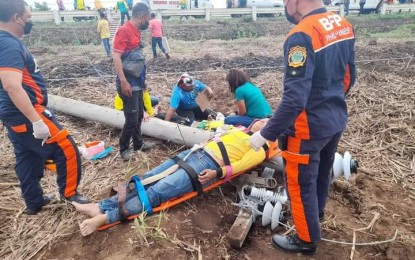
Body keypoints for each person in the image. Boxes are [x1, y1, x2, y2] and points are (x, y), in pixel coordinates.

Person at [249, 0, 355, 255]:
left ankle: (305, 239)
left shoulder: (301, 34)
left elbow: (295, 99)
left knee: (299, 183)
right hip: (334, 119)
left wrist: (265, 134)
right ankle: (314, 215)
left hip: (307, 129)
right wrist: (330, 104)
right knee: (321, 173)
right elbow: (349, 76)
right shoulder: (342, 24)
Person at [73, 119, 272, 236]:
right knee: (148, 179)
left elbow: (240, 165)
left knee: (159, 191)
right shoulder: (239, 130)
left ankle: (107, 217)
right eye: (262, 120)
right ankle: (102, 206)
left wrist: (216, 174)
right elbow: (216, 125)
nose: (263, 122)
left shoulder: (261, 147)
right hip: (193, 154)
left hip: (207, 166)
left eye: (268, 123)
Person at [0, 0, 90, 215]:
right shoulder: (9, 44)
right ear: (16, 18)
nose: (29, 21)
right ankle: (70, 195)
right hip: (27, 111)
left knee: (27, 157)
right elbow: (11, 85)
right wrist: (37, 121)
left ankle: (34, 201)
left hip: (12, 115)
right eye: (28, 17)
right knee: (66, 147)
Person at [113, 2, 153, 161]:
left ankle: (138, 144)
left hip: (137, 83)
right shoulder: (124, 31)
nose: (148, 22)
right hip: (128, 84)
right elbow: (116, 56)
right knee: (131, 120)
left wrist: (143, 81)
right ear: (143, 16)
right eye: (148, 18)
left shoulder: (136, 31)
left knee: (139, 116)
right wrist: (123, 81)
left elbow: (137, 60)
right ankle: (123, 148)